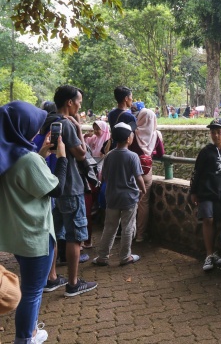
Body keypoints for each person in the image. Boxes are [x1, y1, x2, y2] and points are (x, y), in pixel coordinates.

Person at [0, 100, 68, 343]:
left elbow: (24, 180)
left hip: (17, 234)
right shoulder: (28, 160)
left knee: (30, 287)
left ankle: (30, 332)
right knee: (31, 291)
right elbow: (56, 189)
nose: (37, 131)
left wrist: (41, 154)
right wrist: (61, 158)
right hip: (35, 235)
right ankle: (25, 338)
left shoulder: (6, 155)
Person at [43, 85, 98, 297]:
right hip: (70, 186)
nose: (79, 106)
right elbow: (82, 154)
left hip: (52, 185)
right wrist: (78, 129)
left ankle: (52, 277)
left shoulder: (48, 121)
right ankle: (73, 283)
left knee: (53, 234)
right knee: (75, 236)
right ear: (69, 102)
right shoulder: (66, 124)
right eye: (79, 102)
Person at [92, 122, 146, 267]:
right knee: (128, 226)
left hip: (112, 197)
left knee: (109, 227)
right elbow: (139, 177)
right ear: (129, 138)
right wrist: (143, 190)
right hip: (128, 197)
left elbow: (105, 176)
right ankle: (125, 256)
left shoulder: (109, 156)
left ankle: (102, 257)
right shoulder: (133, 156)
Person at [190, 118, 221, 271]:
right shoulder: (205, 152)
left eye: (219, 132)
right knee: (208, 220)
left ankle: (218, 253)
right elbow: (197, 173)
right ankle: (209, 254)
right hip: (206, 192)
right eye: (213, 132)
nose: (215, 135)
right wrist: (193, 191)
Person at [129, 108, 165, 242]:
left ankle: (128, 234)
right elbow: (161, 153)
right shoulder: (156, 135)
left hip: (132, 172)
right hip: (146, 172)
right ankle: (140, 235)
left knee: (130, 202)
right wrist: (149, 154)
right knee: (144, 203)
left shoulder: (133, 134)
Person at [81, 120, 111, 249]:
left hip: (100, 167)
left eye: (98, 129)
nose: (96, 132)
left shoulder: (107, 139)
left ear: (104, 129)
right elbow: (83, 147)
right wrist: (84, 136)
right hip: (93, 168)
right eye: (94, 129)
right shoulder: (93, 138)